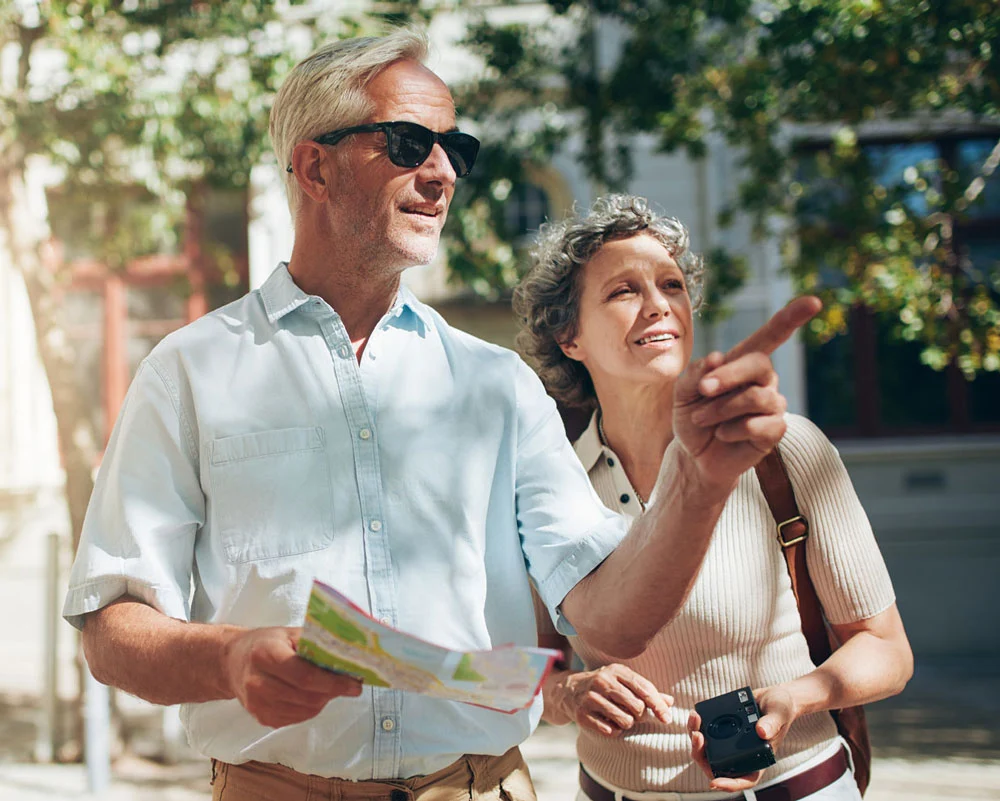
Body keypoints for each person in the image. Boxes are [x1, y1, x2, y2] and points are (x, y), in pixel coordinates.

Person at [62, 28, 818, 801]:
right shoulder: (190, 371)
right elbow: (112, 629)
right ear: (314, 165)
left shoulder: (498, 384)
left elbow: (610, 621)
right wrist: (227, 657)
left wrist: (701, 479)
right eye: (408, 142)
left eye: (457, 148)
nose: (443, 171)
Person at [515, 194, 913, 801]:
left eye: (671, 285)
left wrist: (794, 698)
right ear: (569, 336)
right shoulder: (549, 480)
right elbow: (536, 668)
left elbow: (887, 649)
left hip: (795, 786)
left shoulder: (783, 449)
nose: (659, 306)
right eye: (624, 291)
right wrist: (568, 695)